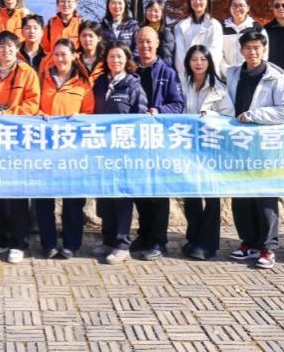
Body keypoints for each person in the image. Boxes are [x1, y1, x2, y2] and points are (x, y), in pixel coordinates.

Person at [226, 29, 284, 270]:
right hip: (238, 144)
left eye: (257, 48)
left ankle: (268, 247)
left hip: (264, 148)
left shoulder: (274, 78)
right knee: (241, 197)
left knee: (265, 196)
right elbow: (225, 103)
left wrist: (255, 115)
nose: (252, 52)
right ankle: (248, 242)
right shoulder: (233, 74)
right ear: (241, 50)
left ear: (264, 50)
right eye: (248, 48)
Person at [0, 31, 41, 264]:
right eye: (1, 46)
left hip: (17, 140)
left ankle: (18, 242)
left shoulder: (27, 72)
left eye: (10, 46)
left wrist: (9, 114)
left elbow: (33, 103)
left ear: (17, 48)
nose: (6, 50)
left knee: (16, 194)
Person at [35, 39, 94, 258]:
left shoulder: (83, 82)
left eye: (64, 54)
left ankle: (71, 243)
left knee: (73, 199)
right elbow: (33, 104)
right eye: (56, 54)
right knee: (44, 199)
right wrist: (39, 114)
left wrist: (81, 117)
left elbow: (91, 112)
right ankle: (48, 243)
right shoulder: (42, 78)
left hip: (73, 149)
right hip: (45, 148)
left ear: (74, 56)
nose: (60, 59)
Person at [131, 26, 186, 261]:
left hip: (158, 140)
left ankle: (158, 240)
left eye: (149, 41)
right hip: (133, 140)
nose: (145, 45)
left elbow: (178, 103)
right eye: (141, 41)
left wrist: (159, 110)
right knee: (139, 191)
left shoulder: (167, 72)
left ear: (156, 44)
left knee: (158, 192)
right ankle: (143, 235)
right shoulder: (131, 70)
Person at [91, 43, 148, 265]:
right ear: (106, 60)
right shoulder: (100, 83)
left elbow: (141, 116)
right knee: (105, 196)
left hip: (125, 151)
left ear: (126, 60)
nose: (115, 60)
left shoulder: (133, 85)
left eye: (119, 57)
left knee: (122, 197)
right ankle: (108, 240)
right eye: (111, 56)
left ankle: (123, 245)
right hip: (102, 150)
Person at [180, 44, 233, 261]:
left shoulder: (220, 89)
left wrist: (211, 117)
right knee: (191, 196)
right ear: (188, 62)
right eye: (194, 59)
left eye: (203, 59)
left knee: (211, 197)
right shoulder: (183, 85)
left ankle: (207, 243)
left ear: (210, 62)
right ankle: (193, 238)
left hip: (212, 148)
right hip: (188, 148)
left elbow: (229, 116)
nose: (198, 63)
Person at [174, 0, 224, 92]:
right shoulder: (181, 26)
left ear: (207, 1)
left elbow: (215, 53)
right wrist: (187, 74)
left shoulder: (214, 25)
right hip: (187, 77)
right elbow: (180, 55)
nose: (197, 2)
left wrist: (203, 72)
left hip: (210, 75)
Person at [220, 0, 266, 73]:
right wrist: (228, 72)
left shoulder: (257, 28)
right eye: (234, 5)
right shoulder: (221, 28)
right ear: (230, 8)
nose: (237, 9)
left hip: (251, 74)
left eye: (241, 5)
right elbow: (218, 53)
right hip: (226, 75)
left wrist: (253, 72)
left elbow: (264, 54)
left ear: (248, 8)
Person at [141, 0, 175, 65]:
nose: (152, 13)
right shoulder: (140, 29)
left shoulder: (166, 33)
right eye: (150, 10)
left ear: (162, 13)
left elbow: (166, 57)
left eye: (156, 11)